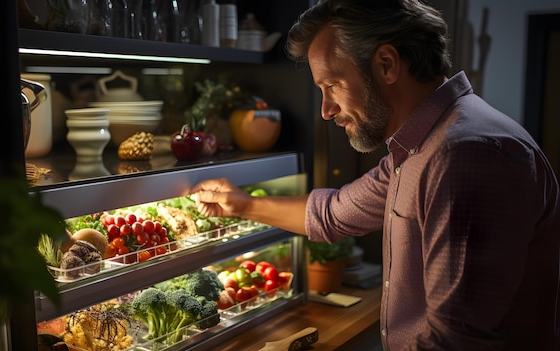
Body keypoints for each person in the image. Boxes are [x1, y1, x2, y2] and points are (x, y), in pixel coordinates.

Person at [190, 0, 560, 350]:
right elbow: (334, 212)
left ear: (386, 64)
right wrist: (238, 204)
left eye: (332, 85)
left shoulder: (464, 154)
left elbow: (454, 341)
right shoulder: (418, 147)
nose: (326, 110)